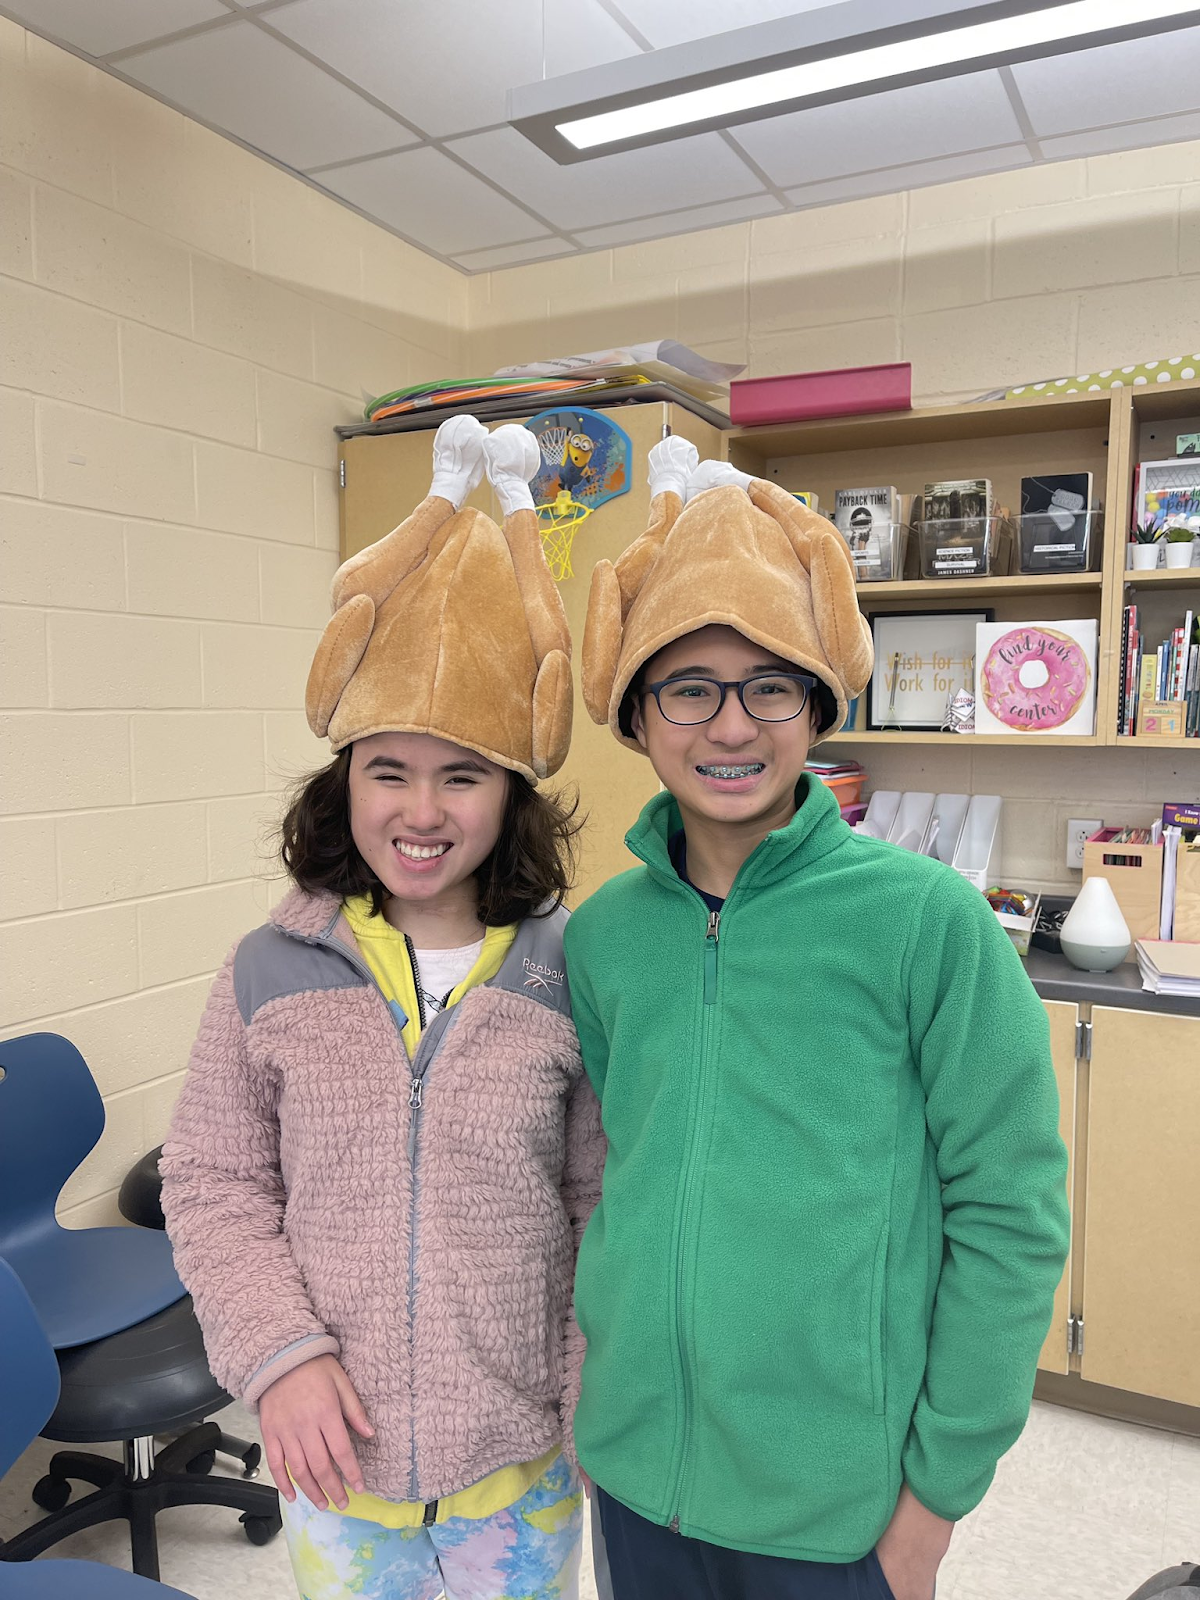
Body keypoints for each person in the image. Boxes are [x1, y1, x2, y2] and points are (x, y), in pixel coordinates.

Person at [563, 440, 1070, 1600]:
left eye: (769, 686)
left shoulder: (927, 921)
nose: (730, 726)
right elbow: (616, 1178)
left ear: (817, 703)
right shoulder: (602, 938)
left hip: (840, 1514)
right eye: (689, 687)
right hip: (636, 1478)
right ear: (638, 714)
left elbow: (1012, 1214)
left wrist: (935, 1500)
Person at [161, 416, 604, 1600]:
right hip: (337, 1471)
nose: (422, 810)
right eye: (388, 770)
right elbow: (213, 1181)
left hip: (523, 1474)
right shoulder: (269, 969)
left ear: (511, 795)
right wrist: (279, 1354)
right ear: (343, 782)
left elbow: (601, 1197)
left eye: (463, 774)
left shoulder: (568, 972)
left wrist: (589, 1387)